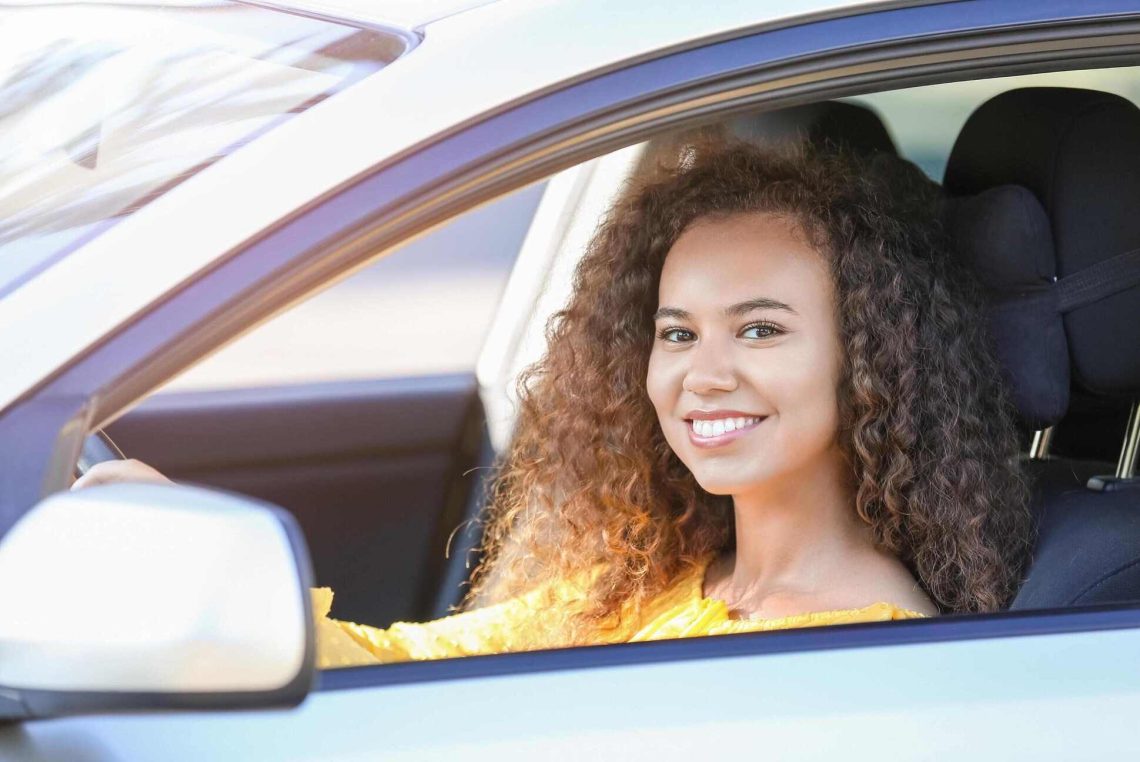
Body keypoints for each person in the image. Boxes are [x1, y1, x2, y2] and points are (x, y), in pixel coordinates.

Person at [77, 139, 1032, 668]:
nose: (702, 374)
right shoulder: (671, 586)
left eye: (761, 329)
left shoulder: (865, 656)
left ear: (869, 364)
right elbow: (411, 674)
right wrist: (209, 569)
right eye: (677, 330)